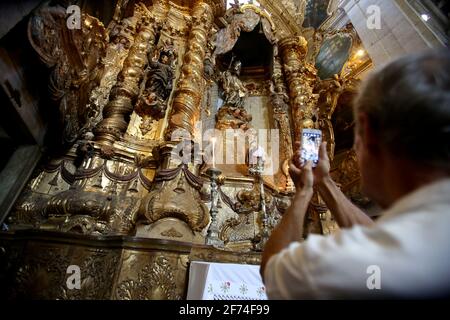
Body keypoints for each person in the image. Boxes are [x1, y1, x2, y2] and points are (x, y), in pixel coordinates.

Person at [260, 50, 450, 299]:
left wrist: (303, 193)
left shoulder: (350, 262)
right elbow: (377, 239)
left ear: (367, 132)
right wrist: (323, 181)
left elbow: (274, 270)